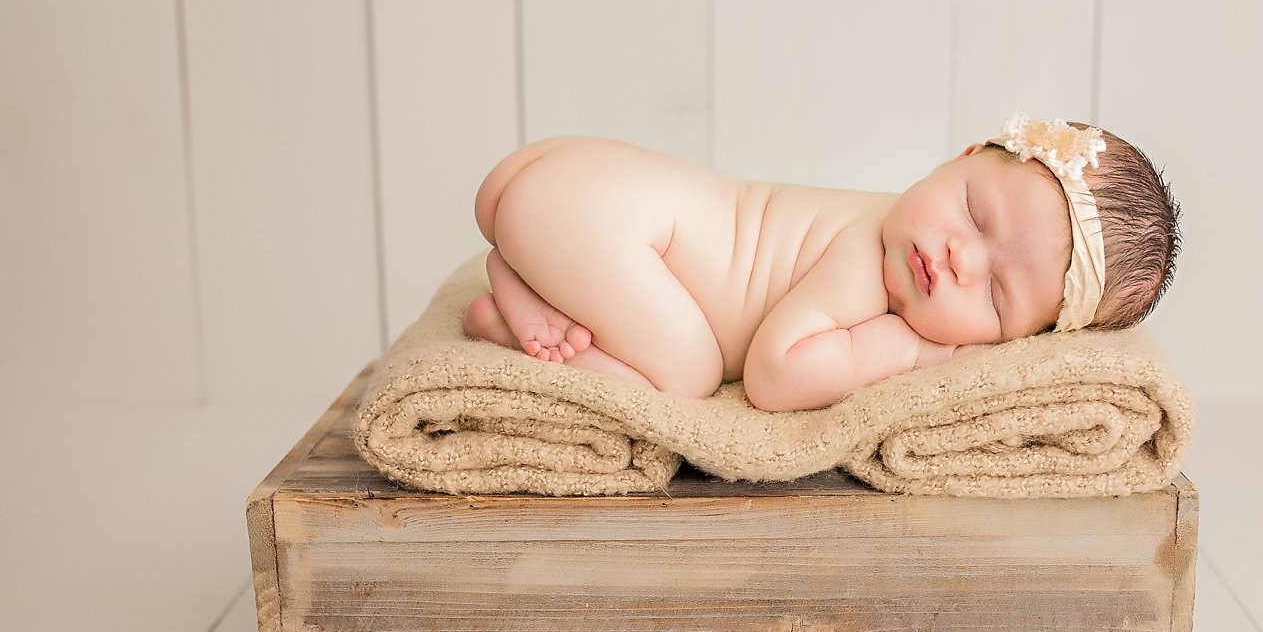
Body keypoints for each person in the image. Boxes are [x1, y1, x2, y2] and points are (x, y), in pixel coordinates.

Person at [463, 114, 1181, 412]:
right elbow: (776, 374)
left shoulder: (901, 229)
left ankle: (525, 291)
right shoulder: (869, 256)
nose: (958, 258)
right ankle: (519, 316)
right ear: (958, 158)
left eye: (995, 294)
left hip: (574, 189)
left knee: (675, 345)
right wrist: (905, 346)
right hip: (596, 214)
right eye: (974, 213)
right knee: (688, 372)